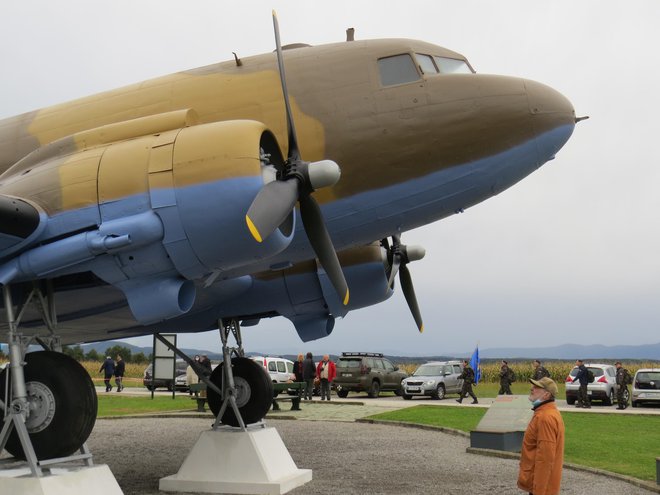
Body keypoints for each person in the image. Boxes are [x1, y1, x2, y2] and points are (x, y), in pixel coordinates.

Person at [517, 377, 565, 495]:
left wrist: (539, 490)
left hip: (540, 487)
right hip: (537, 483)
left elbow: (545, 459)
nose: (532, 388)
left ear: (546, 395)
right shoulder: (543, 413)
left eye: (537, 387)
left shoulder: (545, 417)